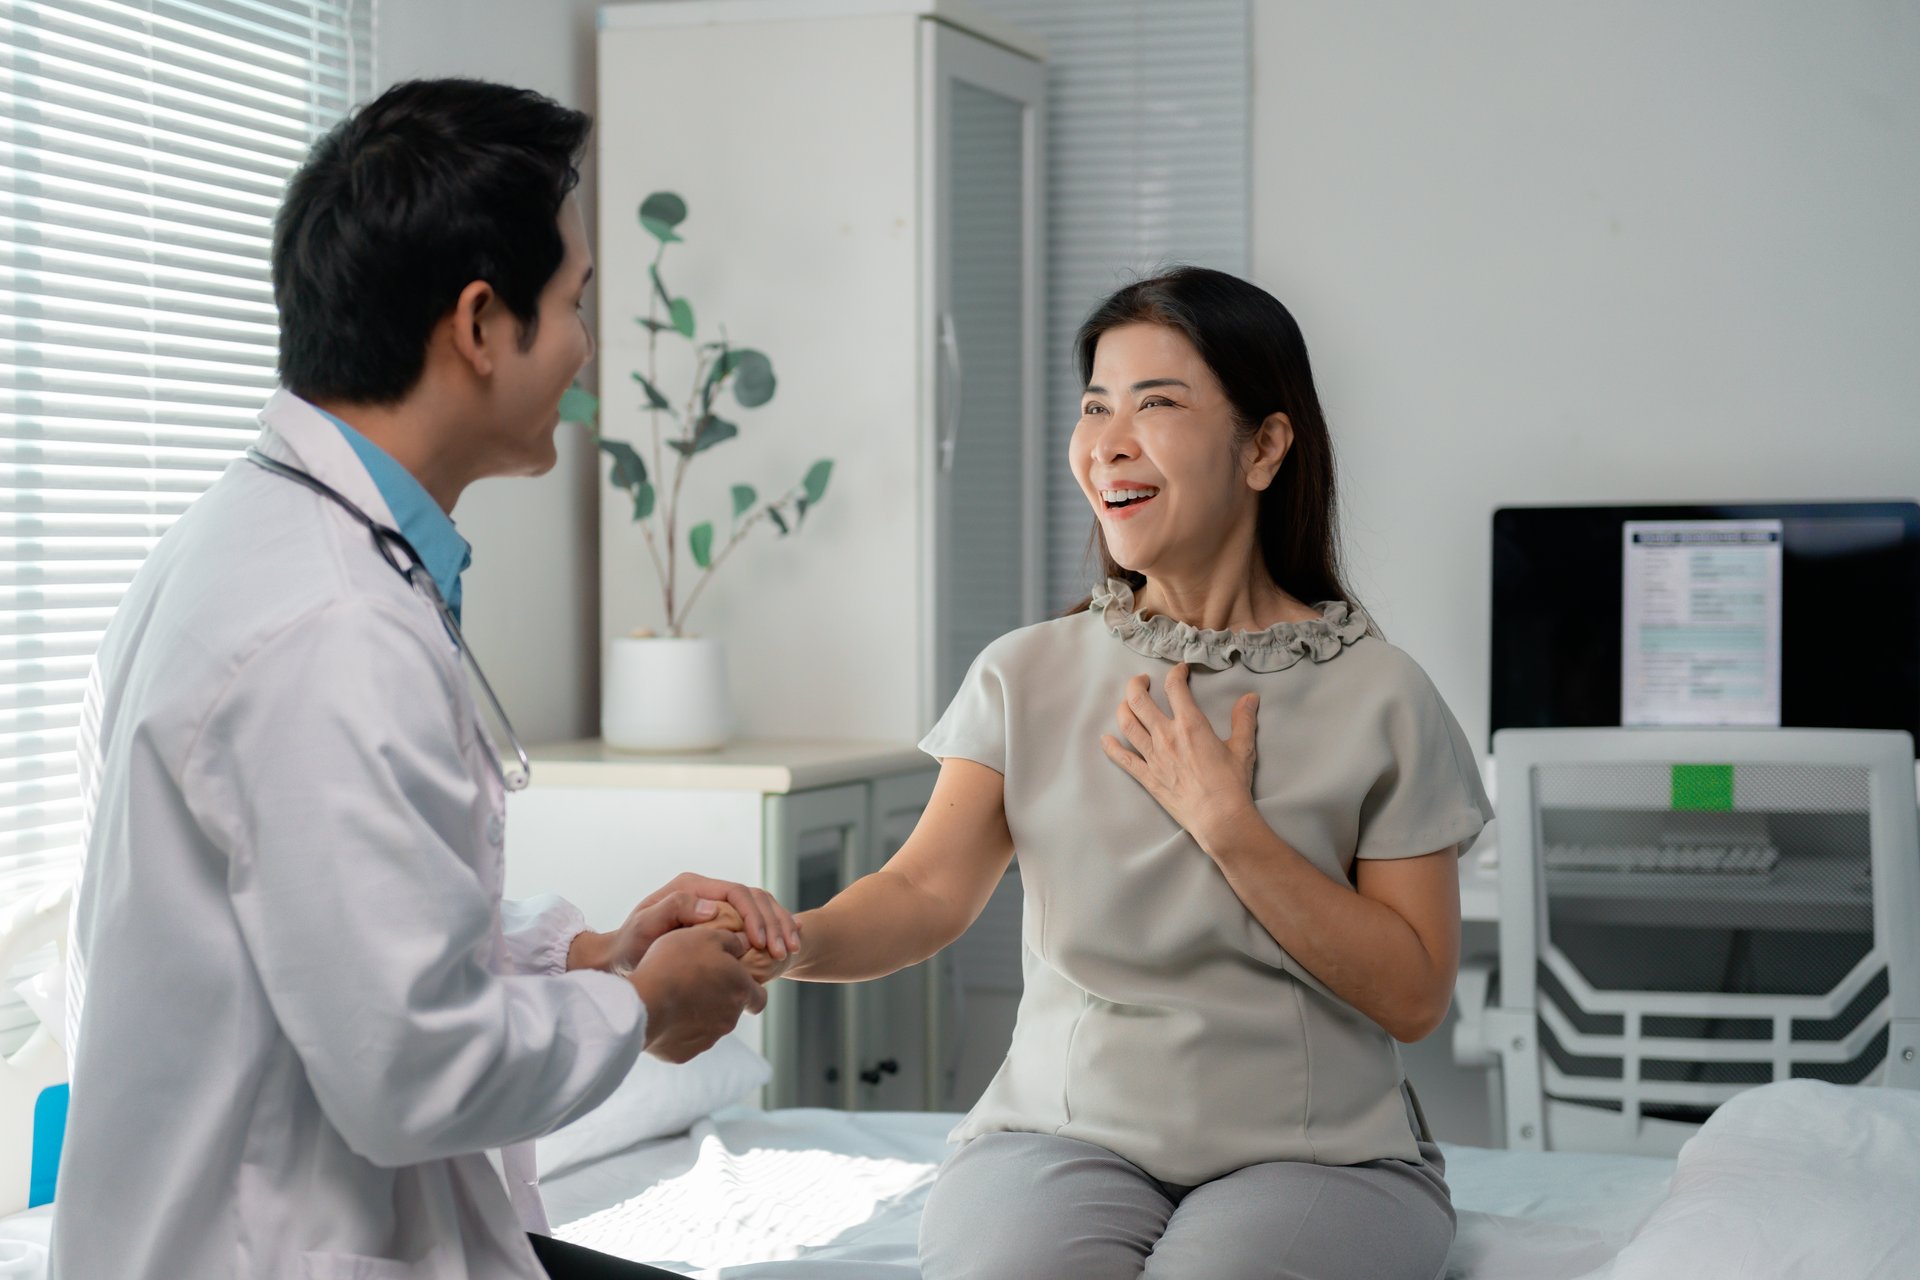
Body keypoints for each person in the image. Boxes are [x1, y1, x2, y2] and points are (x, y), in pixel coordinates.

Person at [52, 78, 798, 1280]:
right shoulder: (329, 627)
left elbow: (343, 919)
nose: (585, 345)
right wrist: (644, 1007)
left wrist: (594, 953)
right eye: (572, 302)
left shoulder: (275, 543)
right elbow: (418, 1065)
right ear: (478, 324)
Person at [750, 267, 1492, 1279]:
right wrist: (784, 943)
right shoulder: (1028, 671)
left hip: (1321, 1151)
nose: (1109, 440)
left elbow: (1412, 993)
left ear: (1266, 446)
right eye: (1096, 405)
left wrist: (1231, 827)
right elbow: (923, 891)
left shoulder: (1382, 695)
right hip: (1064, 1133)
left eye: (1158, 404)